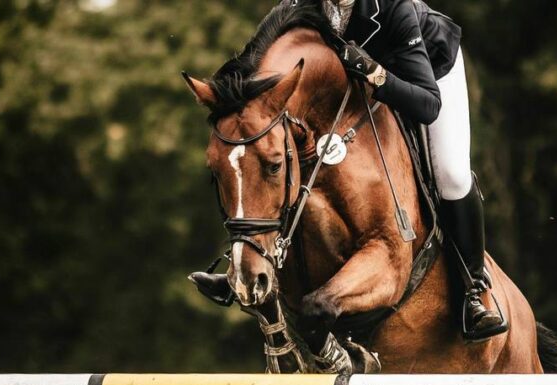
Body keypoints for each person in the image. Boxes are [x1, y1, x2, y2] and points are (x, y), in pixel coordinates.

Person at [193, 0, 508, 342]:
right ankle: (245, 255)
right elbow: (253, 67)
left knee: (452, 175)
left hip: (425, 74)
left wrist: (374, 72)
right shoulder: (293, 7)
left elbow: (427, 105)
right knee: (266, 157)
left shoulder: (394, 8)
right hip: (347, 95)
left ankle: (473, 292)